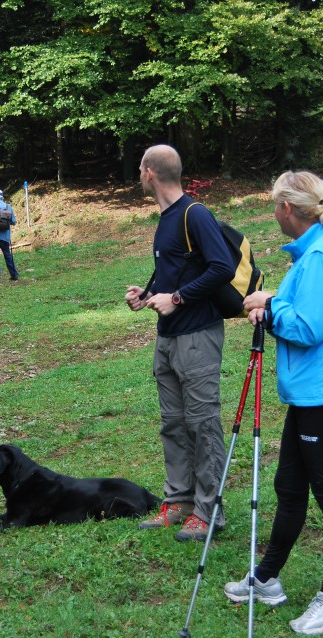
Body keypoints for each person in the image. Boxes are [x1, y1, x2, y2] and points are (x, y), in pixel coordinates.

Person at [223, 171, 323, 636]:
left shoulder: (322, 256)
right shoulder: (315, 251)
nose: (272, 211)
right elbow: (300, 311)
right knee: (289, 487)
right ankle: (266, 579)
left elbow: (310, 327)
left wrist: (271, 305)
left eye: (273, 204)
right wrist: (272, 302)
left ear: (287, 208)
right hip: (311, 394)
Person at [124, 144, 235, 542]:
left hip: (198, 336)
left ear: (151, 172)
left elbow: (222, 267)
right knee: (173, 423)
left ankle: (209, 512)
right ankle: (180, 501)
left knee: (203, 424)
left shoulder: (195, 213)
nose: (138, 173)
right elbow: (179, 268)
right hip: (168, 338)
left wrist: (178, 298)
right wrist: (149, 292)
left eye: (140, 167)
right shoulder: (167, 218)